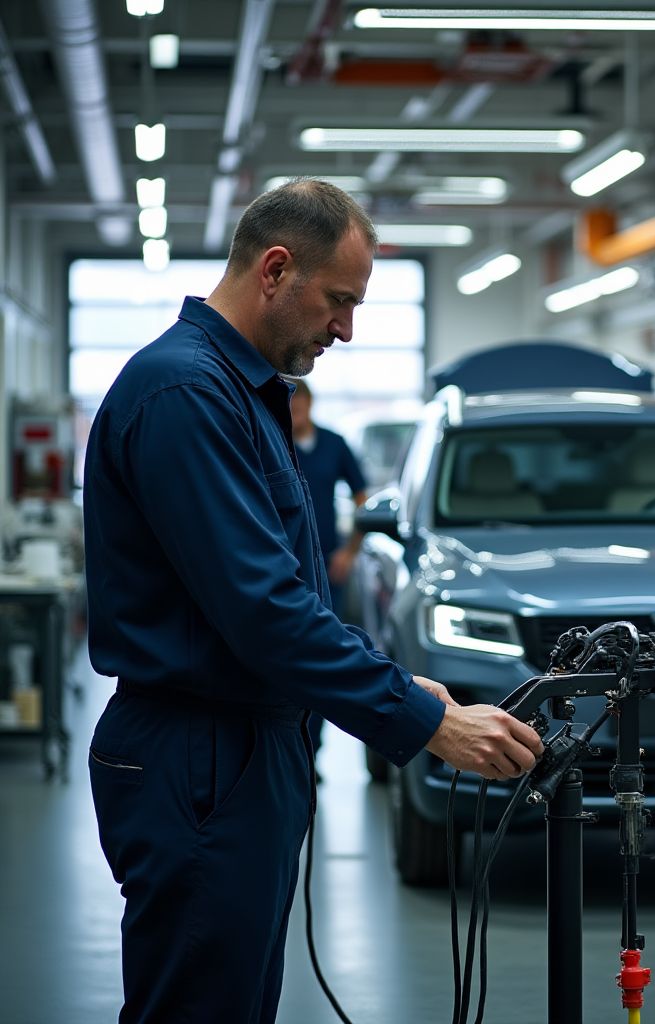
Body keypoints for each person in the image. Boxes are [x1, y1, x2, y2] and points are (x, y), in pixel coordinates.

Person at [83, 178, 543, 1024]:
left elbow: (287, 590)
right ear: (275, 269)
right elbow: (265, 613)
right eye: (338, 301)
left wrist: (408, 688)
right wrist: (426, 723)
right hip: (202, 759)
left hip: (244, 750)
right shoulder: (187, 396)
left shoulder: (241, 394)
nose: (347, 328)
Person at [289, 378, 368, 771]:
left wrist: (349, 552)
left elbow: (362, 500)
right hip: (284, 563)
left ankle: (311, 751)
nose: (295, 414)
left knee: (323, 649)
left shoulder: (334, 444)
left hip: (324, 567)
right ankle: (290, 748)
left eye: (301, 407)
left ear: (310, 406)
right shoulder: (273, 442)